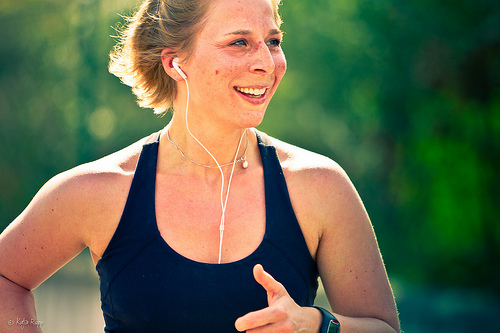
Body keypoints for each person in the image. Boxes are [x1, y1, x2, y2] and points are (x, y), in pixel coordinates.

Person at [0, 0, 400, 332]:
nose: (267, 61)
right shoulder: (98, 190)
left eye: (273, 40)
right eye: (240, 42)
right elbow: (7, 279)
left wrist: (316, 324)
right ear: (175, 64)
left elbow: (383, 327)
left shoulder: (319, 186)